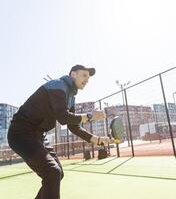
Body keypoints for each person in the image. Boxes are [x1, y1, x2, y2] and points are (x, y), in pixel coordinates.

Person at [7, 65, 109, 199]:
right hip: (21, 132)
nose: (86, 80)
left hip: (38, 135)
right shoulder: (58, 85)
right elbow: (63, 117)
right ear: (73, 74)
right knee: (52, 172)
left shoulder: (71, 97)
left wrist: (96, 139)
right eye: (84, 75)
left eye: (88, 78)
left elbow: (73, 126)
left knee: (57, 173)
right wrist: (90, 116)